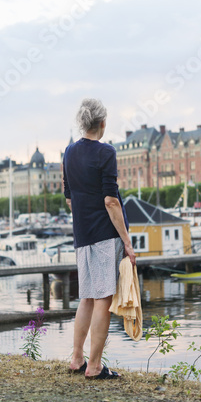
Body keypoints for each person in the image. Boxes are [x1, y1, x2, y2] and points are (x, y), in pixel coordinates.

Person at [63, 98, 136, 380]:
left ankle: (77, 358)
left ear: (83, 123)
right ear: (102, 123)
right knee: (103, 299)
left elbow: (69, 198)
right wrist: (127, 242)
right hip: (106, 236)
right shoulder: (106, 152)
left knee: (87, 298)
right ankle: (94, 366)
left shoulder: (68, 152)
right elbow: (111, 201)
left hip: (82, 235)